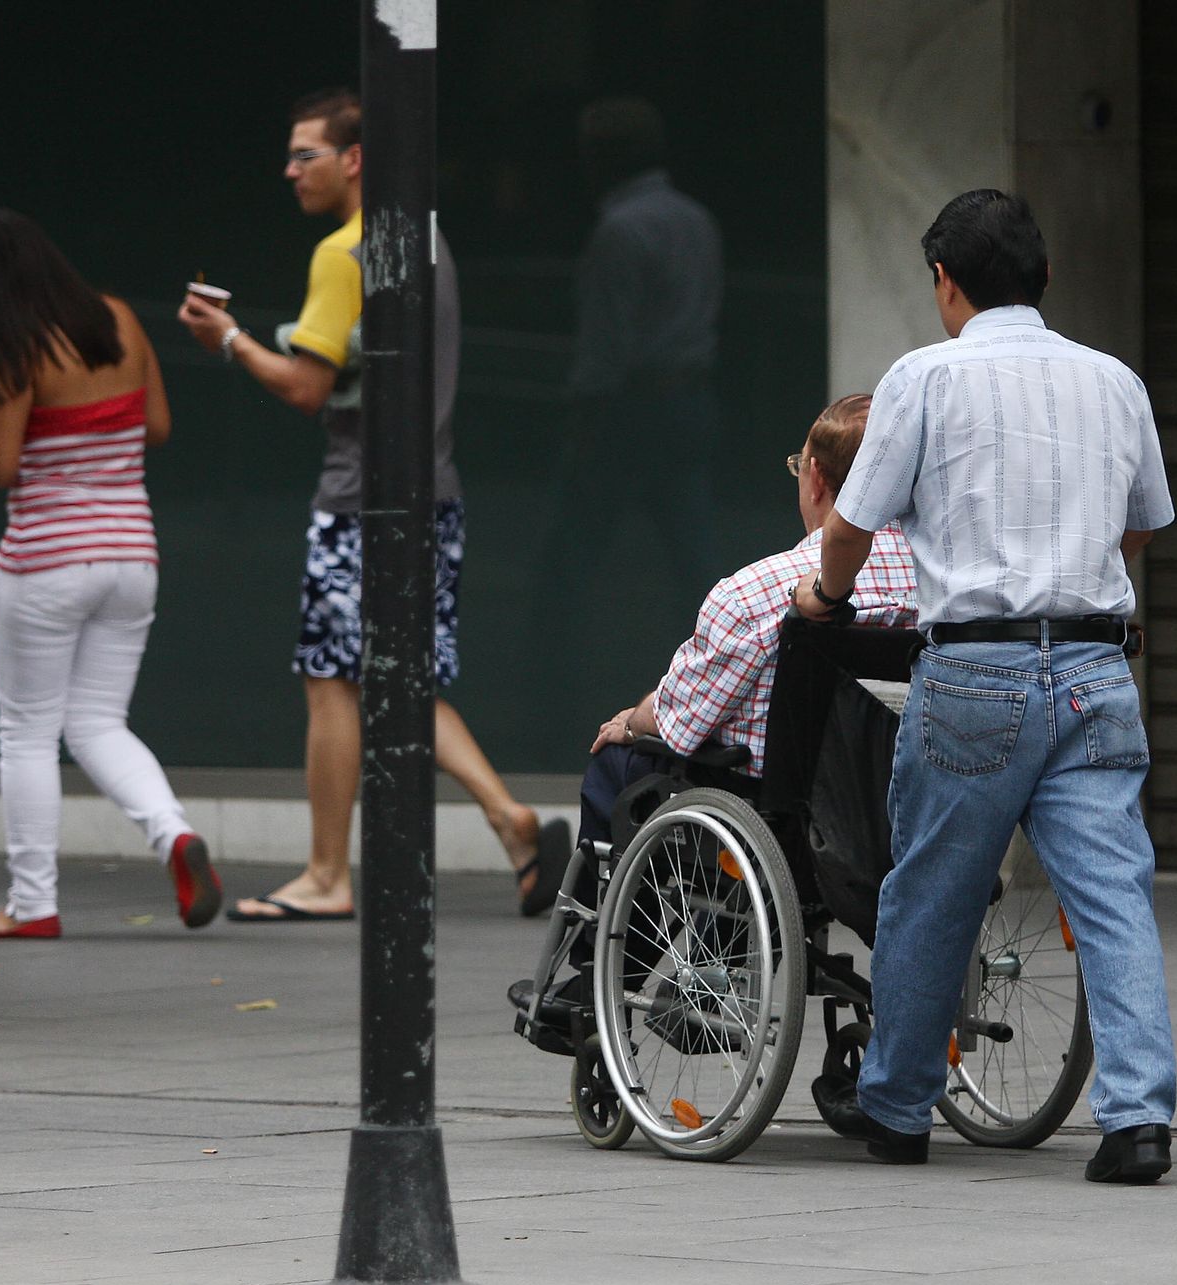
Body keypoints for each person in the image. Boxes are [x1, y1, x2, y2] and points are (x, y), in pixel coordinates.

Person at [797, 189, 1177, 1185]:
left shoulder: (923, 378)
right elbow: (1141, 522)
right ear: (1043, 276)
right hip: (1095, 669)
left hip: (974, 671)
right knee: (1114, 896)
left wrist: (825, 601)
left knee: (931, 894)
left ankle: (896, 1107)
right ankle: (1138, 1119)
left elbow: (850, 526)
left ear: (944, 282)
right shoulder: (1115, 381)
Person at [177, 88, 568, 922]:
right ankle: (512, 823)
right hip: (433, 496)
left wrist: (229, 339)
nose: (290, 171)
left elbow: (306, 386)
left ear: (354, 159)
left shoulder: (341, 252)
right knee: (400, 680)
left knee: (331, 682)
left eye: (305, 155)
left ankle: (326, 876)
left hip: (359, 500)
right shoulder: (424, 239)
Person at [509, 393, 917, 1019]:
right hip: (905, 813)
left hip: (786, 829)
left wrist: (629, 723)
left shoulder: (756, 593)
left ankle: (601, 980)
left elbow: (681, 720)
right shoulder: (950, 589)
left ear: (815, 478)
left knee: (622, 769)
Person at [0, 209, 222, 940]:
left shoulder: (14, 349)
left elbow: (2, 468)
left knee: (27, 734)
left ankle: (32, 904)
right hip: (131, 557)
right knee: (98, 722)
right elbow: (156, 427)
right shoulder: (118, 319)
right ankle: (175, 834)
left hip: (46, 564)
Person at [540, 96, 725, 646]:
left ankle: (554, 662)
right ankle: (723, 655)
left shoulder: (620, 230)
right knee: (693, 548)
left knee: (573, 549)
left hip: (629, 407)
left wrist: (583, 420)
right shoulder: (696, 218)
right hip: (688, 396)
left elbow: (607, 344)